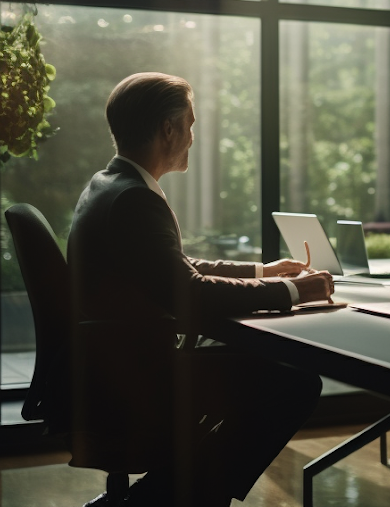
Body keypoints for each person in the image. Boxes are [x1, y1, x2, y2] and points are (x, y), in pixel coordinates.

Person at [68, 73, 334, 507]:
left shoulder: (110, 185)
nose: (193, 136)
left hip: (113, 362)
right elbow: (188, 292)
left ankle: (166, 494)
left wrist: (262, 272)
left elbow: (174, 269)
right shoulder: (135, 199)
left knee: (266, 368)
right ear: (168, 129)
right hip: (137, 374)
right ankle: (169, 498)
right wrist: (294, 291)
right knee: (295, 385)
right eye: (189, 124)